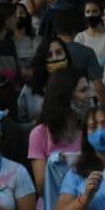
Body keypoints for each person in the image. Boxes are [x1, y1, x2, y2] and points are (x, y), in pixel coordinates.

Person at [53, 105, 105, 210]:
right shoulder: (76, 173)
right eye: (93, 128)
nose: (100, 131)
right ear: (86, 136)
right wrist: (86, 196)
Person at [28, 70, 91, 199]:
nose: (89, 96)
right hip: (51, 209)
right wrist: (59, 164)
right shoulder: (39, 134)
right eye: (83, 90)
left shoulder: (90, 131)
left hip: (85, 206)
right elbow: (41, 188)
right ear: (66, 96)